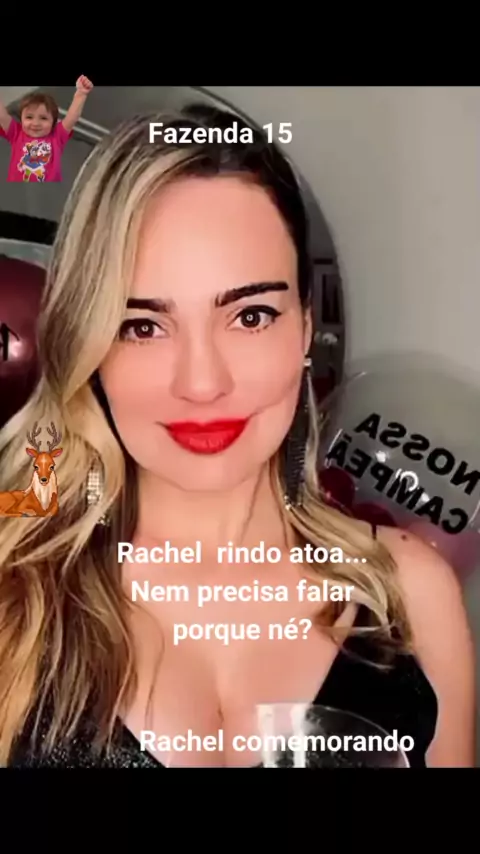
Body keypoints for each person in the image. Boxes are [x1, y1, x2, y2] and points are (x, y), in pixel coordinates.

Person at [0, 105, 475, 768]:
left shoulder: (412, 594)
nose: (202, 383)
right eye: (143, 326)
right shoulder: (13, 603)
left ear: (304, 329)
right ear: (91, 346)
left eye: (250, 316)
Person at [0, 77, 93, 182]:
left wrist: (81, 94)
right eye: (29, 117)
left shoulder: (57, 136)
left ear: (53, 122)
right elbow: (2, 116)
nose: (36, 123)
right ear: (21, 119)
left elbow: (72, 118)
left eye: (43, 118)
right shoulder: (16, 133)